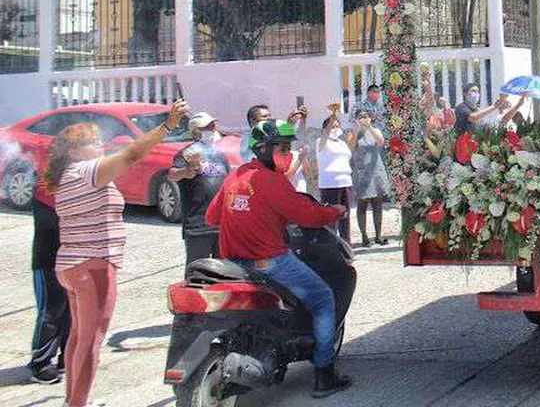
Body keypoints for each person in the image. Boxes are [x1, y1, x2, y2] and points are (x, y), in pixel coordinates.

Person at [46, 99, 188, 407]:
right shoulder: (87, 171)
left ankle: (73, 399)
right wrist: (167, 126)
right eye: (93, 142)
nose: (101, 145)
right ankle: (77, 403)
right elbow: (132, 155)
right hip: (93, 264)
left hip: (72, 264)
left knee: (79, 337)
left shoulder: (69, 174)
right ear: (74, 150)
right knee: (91, 340)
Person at [205, 119, 352, 398]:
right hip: (269, 263)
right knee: (323, 299)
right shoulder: (271, 180)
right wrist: (335, 212)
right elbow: (306, 214)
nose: (287, 154)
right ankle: (324, 374)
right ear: (264, 150)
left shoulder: (236, 176)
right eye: (283, 149)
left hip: (234, 266)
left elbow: (212, 217)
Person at [28, 145, 69, 385]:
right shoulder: (46, 187)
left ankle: (67, 357)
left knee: (72, 312)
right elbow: (53, 222)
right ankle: (41, 362)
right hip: (48, 261)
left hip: (73, 260)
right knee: (51, 311)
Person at [168, 111, 232, 266]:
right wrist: (186, 172)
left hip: (222, 224)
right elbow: (172, 174)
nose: (212, 130)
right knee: (197, 270)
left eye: (213, 126)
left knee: (223, 270)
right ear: (196, 131)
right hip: (198, 225)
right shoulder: (187, 153)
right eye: (207, 127)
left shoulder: (219, 154)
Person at [349, 111, 389, 247]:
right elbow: (351, 145)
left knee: (377, 204)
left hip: (375, 171)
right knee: (362, 205)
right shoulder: (353, 133)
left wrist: (370, 127)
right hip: (362, 172)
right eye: (360, 117)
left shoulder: (376, 130)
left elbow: (380, 142)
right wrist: (356, 130)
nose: (363, 119)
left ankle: (378, 235)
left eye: (365, 116)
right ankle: (364, 237)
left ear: (370, 118)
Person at [317, 112, 354, 242]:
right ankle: (330, 245)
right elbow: (325, 136)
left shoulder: (342, 143)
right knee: (331, 218)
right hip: (330, 184)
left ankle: (346, 245)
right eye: (332, 126)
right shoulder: (321, 142)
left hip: (346, 182)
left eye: (337, 126)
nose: (335, 128)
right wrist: (332, 117)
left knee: (345, 217)